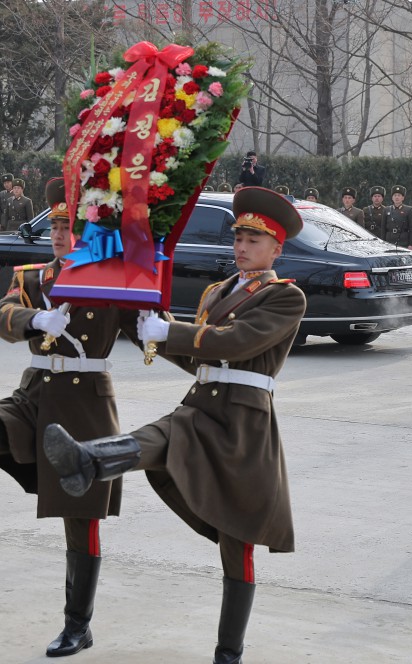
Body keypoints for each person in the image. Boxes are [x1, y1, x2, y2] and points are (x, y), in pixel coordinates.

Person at [43, 186, 306, 662]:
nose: (241, 246)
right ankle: (87, 459)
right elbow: (198, 359)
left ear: (276, 249)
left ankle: (228, 654)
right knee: (160, 436)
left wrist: (174, 331)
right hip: (201, 406)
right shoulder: (216, 291)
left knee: (237, 544)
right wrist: (153, 330)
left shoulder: (286, 299)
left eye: (253, 239)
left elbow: (238, 342)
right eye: (239, 237)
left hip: (243, 424)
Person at [0, 179, 137, 657]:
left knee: (82, 518)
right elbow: (5, 314)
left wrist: (198, 352)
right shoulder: (33, 278)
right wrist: (33, 320)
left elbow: (149, 332)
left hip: (86, 407)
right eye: (56, 225)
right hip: (35, 395)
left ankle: (78, 626)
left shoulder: (110, 279)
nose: (60, 234)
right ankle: (34, 471)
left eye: (70, 226)